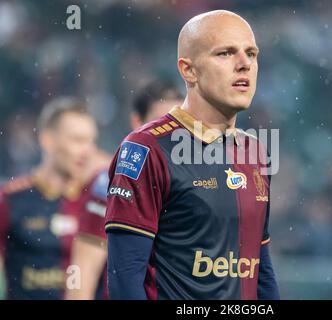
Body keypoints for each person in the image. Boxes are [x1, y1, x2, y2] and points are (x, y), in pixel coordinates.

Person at [105, 10, 279, 300]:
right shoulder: (146, 149)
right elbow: (125, 278)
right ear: (188, 70)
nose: (244, 64)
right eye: (225, 53)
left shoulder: (254, 152)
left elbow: (261, 268)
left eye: (251, 53)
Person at [65, 81, 183, 300]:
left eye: (178, 125)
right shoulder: (108, 185)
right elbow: (82, 274)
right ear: (137, 122)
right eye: (161, 123)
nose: (171, 134)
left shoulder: (202, 180)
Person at [0, 97, 100, 299]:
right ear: (47, 140)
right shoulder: (11, 200)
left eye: (91, 141)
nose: (87, 151)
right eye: (77, 140)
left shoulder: (98, 204)